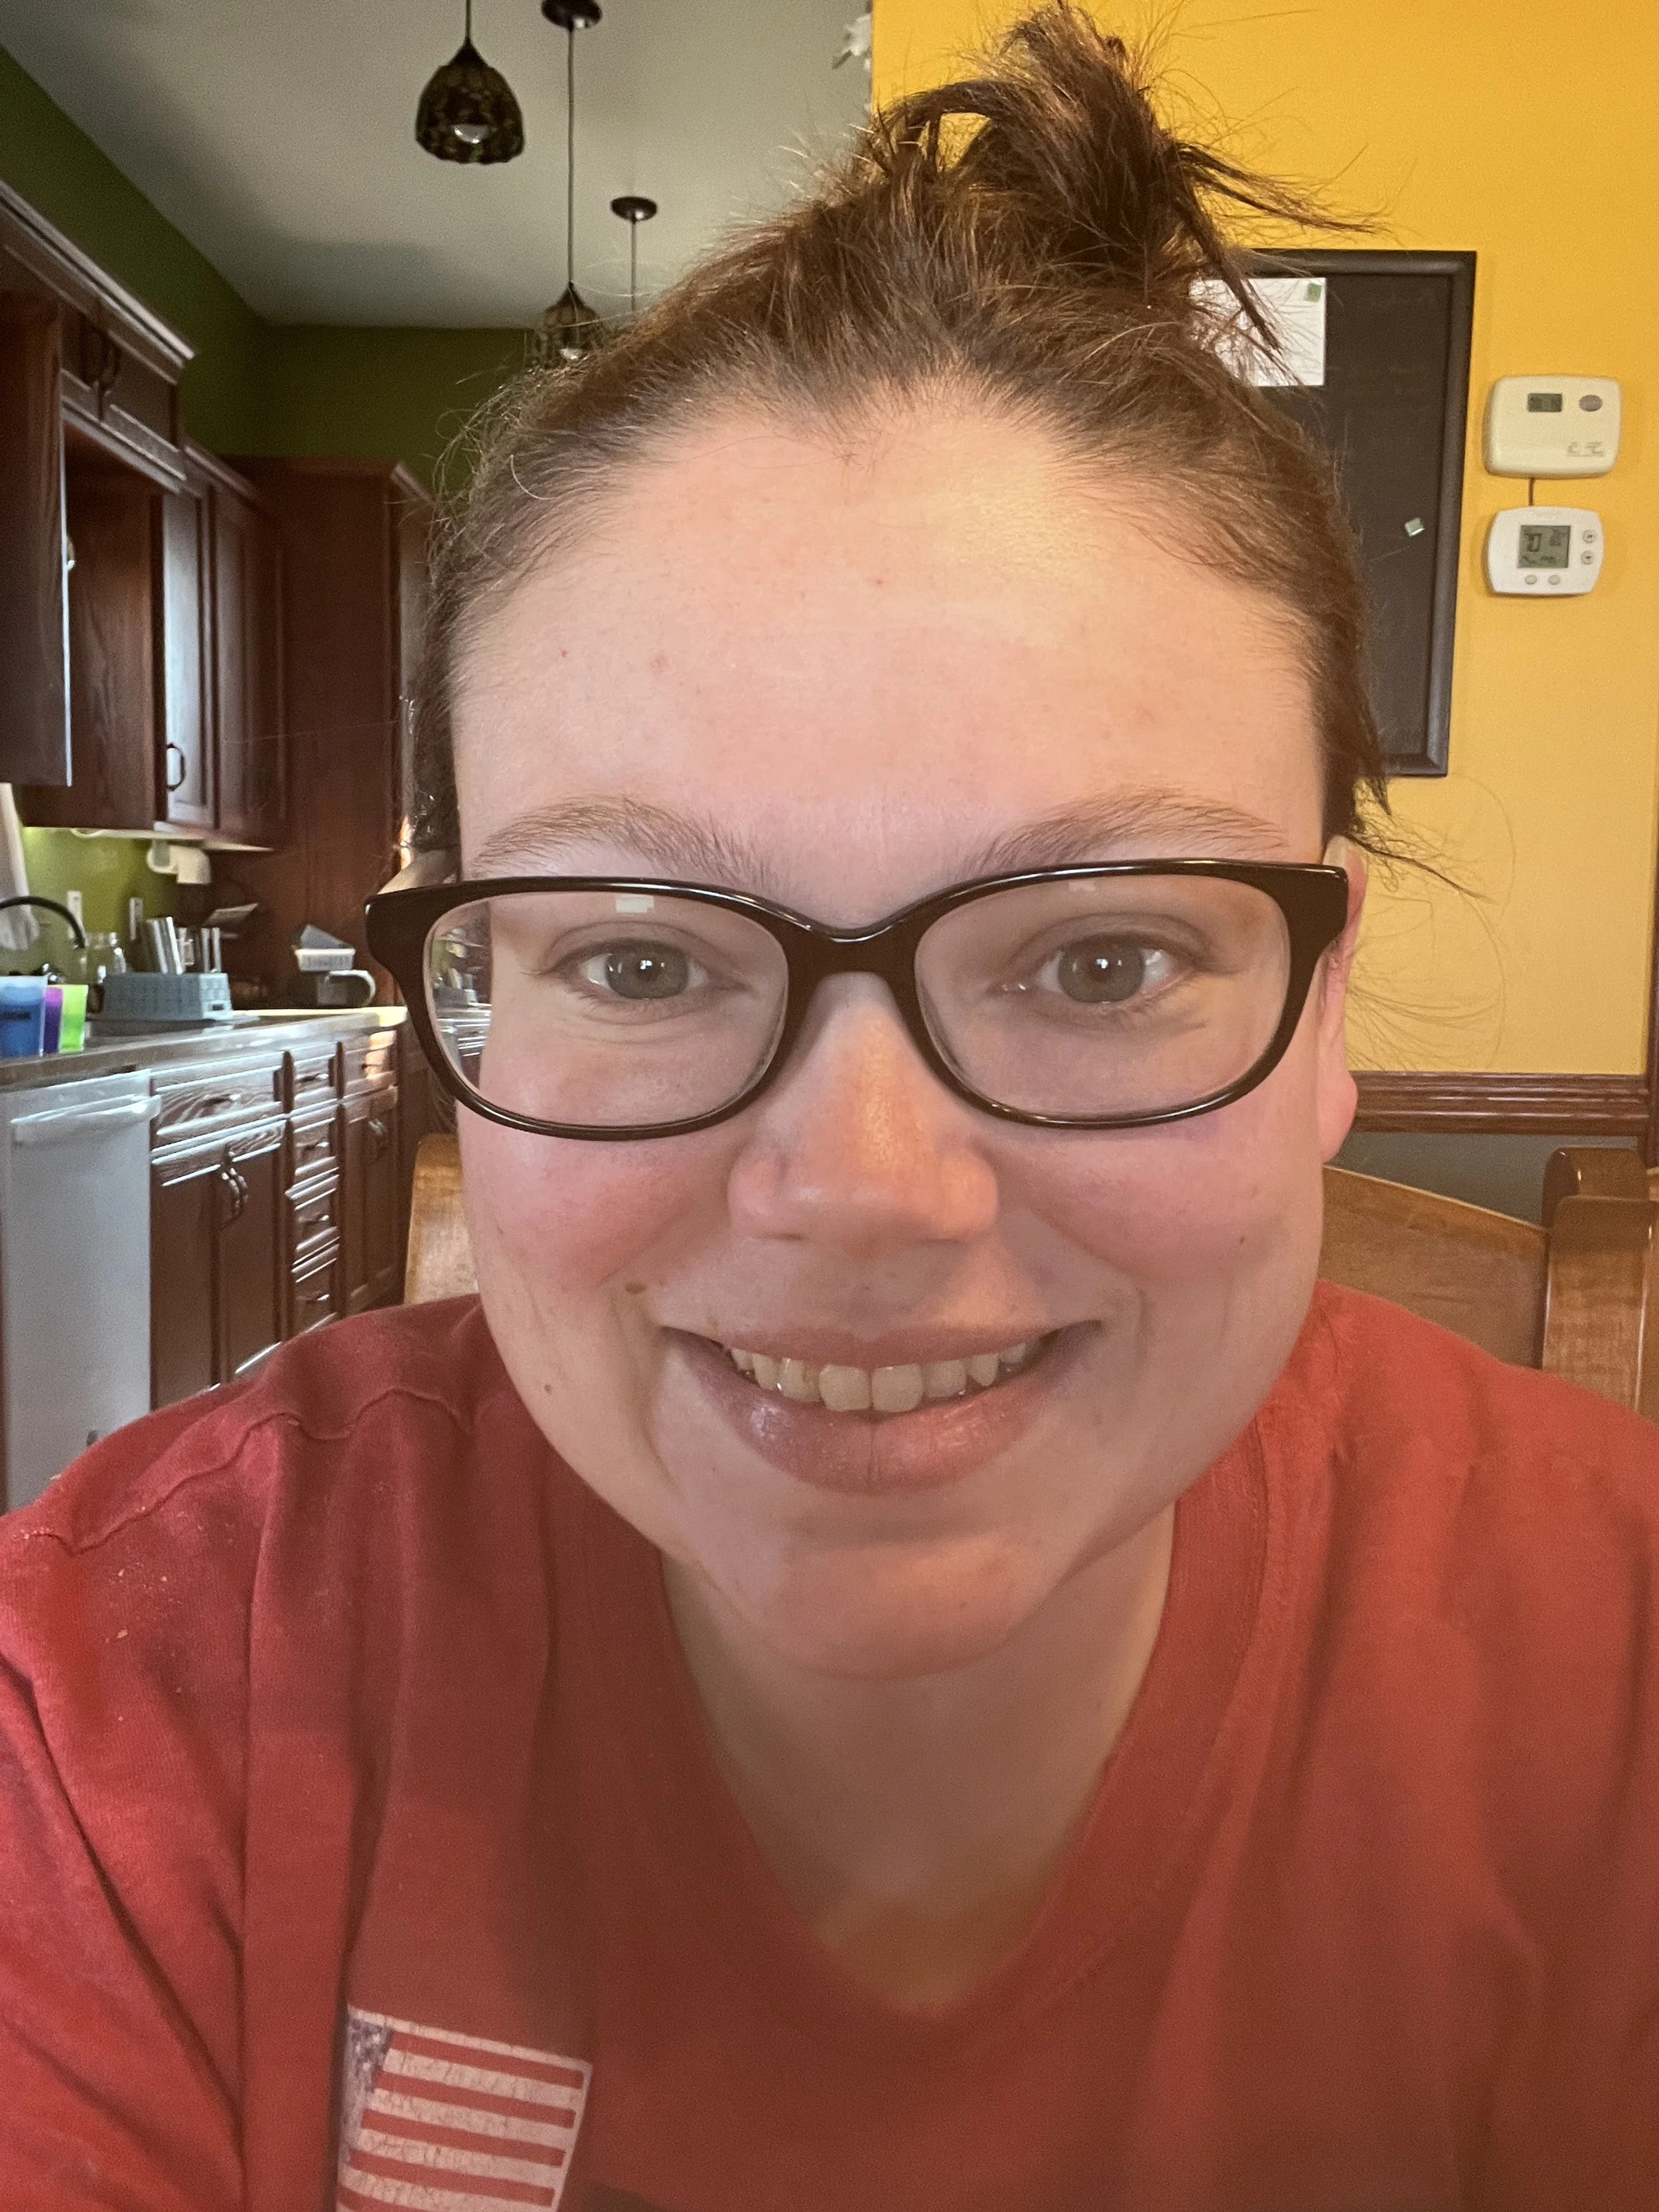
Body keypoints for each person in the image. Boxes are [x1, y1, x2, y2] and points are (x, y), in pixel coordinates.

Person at [3, 10, 1656, 2207]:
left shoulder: (1609, 1694)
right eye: (642, 959)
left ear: (1323, 985)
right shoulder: (129, 1696)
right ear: (465, 994)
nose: (858, 1192)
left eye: (1096, 957)